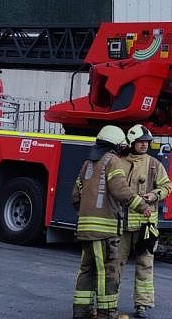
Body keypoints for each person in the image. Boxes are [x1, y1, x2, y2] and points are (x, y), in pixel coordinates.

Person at [71, 125, 150, 319]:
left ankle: (82, 312)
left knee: (86, 270)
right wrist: (141, 205)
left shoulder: (87, 164)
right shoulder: (112, 161)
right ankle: (107, 314)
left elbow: (75, 196)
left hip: (85, 229)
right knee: (107, 271)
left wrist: (88, 210)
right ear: (116, 144)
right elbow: (120, 189)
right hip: (104, 231)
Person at [118, 124, 172, 318]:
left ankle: (142, 305)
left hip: (145, 226)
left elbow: (167, 186)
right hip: (122, 224)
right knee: (115, 264)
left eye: (147, 142)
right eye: (141, 142)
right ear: (132, 142)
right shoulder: (120, 161)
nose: (144, 145)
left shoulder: (154, 164)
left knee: (145, 265)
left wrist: (155, 195)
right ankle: (109, 303)